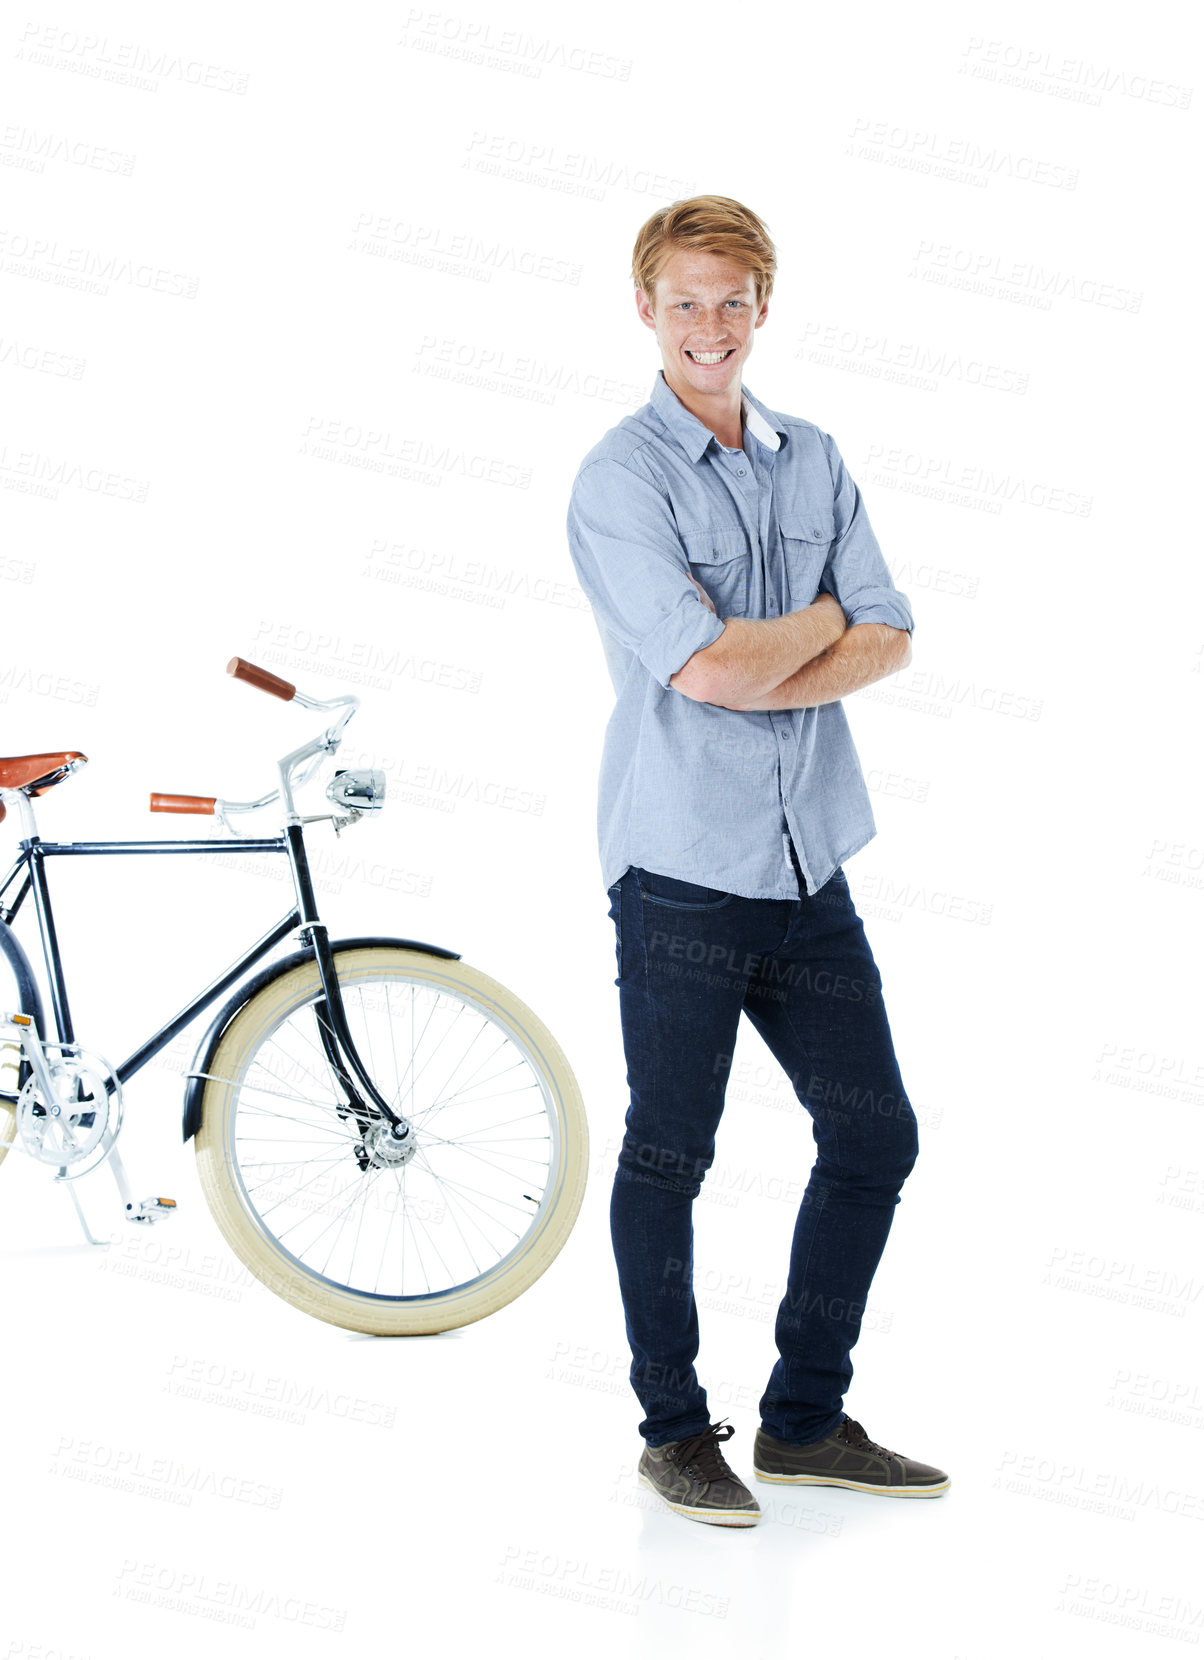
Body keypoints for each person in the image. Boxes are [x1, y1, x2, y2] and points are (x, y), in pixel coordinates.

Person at [565, 196, 949, 1527]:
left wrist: (786, 641)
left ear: (763, 308)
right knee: (672, 1151)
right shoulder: (621, 480)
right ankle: (675, 1432)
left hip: (806, 869)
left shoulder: (816, 457)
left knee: (874, 1133)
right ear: (645, 309)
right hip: (678, 870)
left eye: (733, 300)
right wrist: (814, 626)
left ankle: (801, 1420)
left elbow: (892, 634)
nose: (709, 326)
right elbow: (704, 672)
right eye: (685, 301)